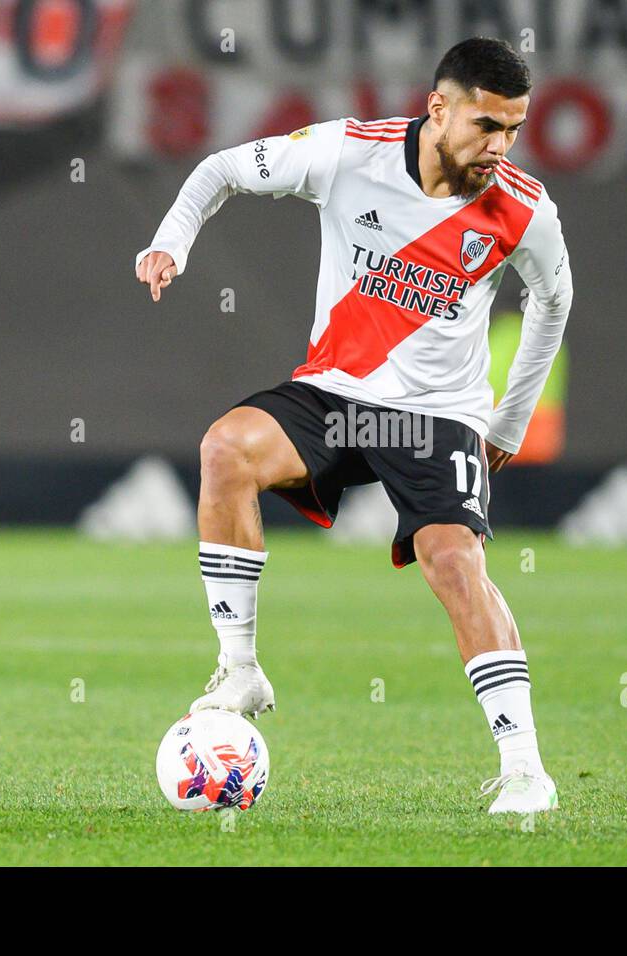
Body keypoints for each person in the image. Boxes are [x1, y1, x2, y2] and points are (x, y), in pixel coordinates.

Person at [135, 37, 572, 814]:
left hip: (437, 416)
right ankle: (240, 666)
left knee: (452, 562)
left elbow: (553, 302)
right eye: (485, 125)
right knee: (226, 450)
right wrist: (173, 240)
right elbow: (220, 172)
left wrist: (508, 419)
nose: (498, 147)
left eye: (513, 129)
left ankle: (525, 770)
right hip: (334, 396)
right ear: (437, 107)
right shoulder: (346, 153)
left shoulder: (524, 208)